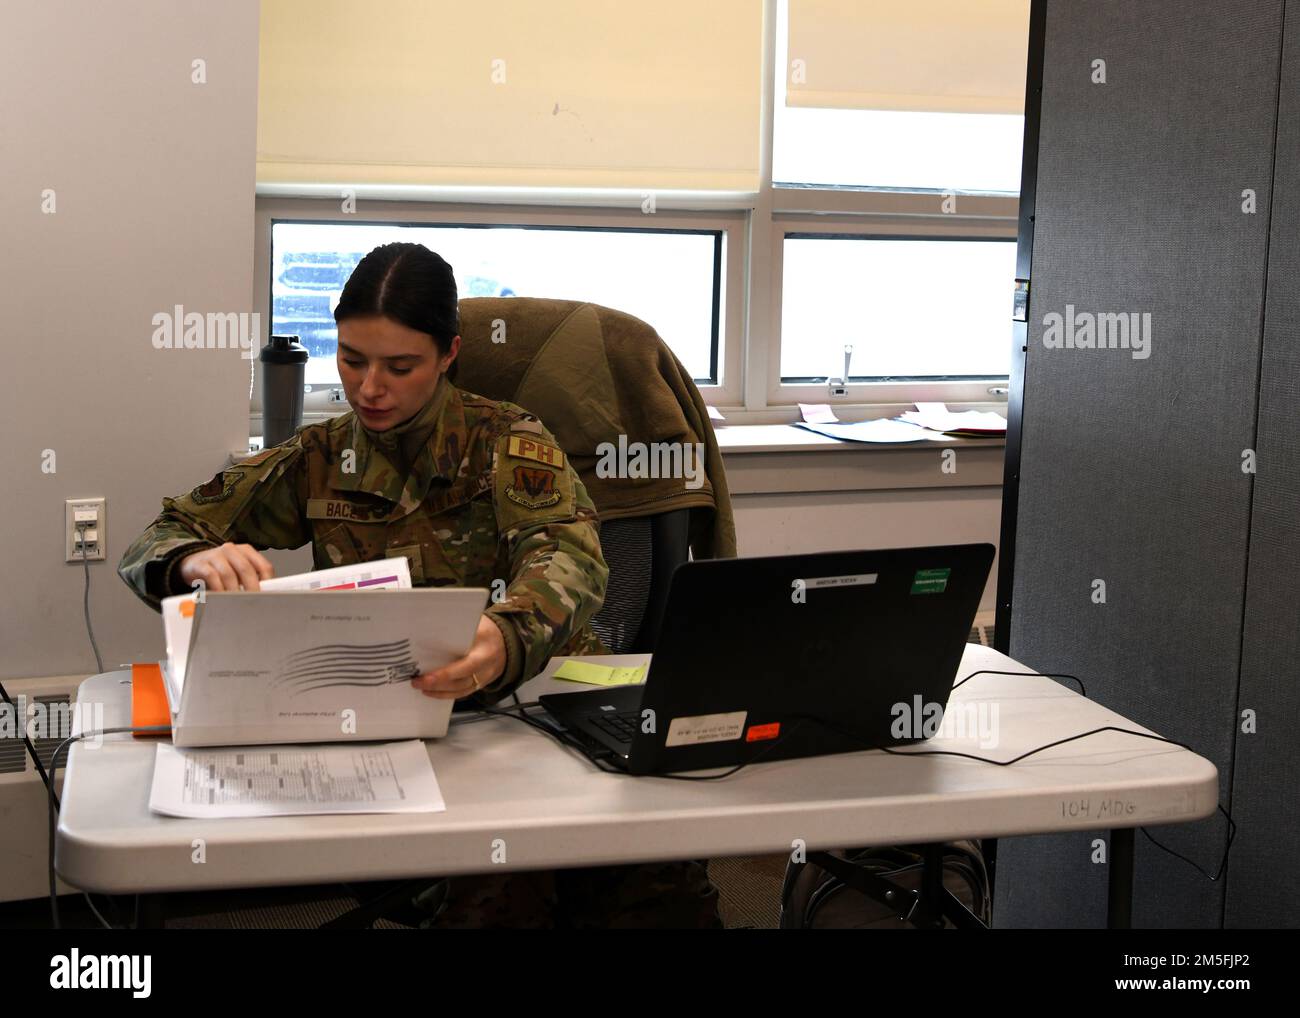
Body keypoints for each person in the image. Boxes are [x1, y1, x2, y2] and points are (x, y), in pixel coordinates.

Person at [118, 241, 721, 928]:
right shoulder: (319, 458)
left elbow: (570, 558)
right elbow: (158, 535)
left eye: (399, 367)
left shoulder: (509, 444)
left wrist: (505, 633)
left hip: (531, 719)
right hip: (393, 731)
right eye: (351, 360)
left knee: (661, 874)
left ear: (448, 354)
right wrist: (192, 560)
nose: (370, 388)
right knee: (493, 892)